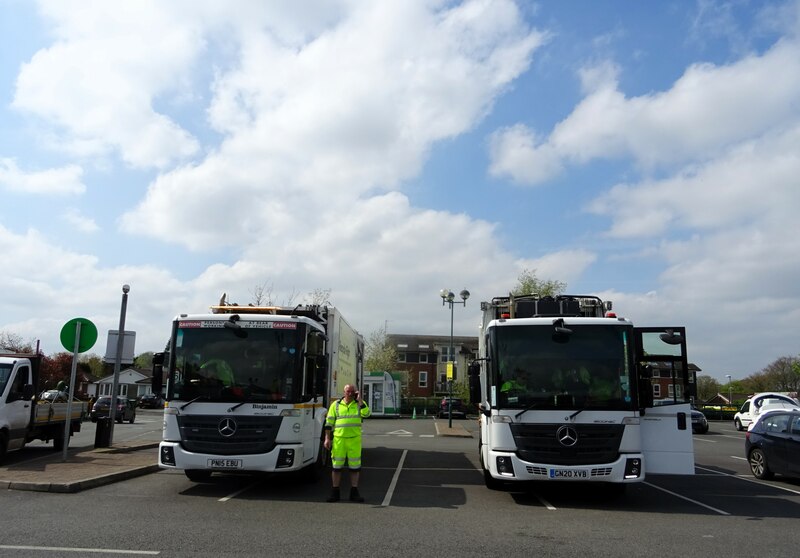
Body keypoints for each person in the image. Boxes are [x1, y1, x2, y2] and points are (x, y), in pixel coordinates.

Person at [324, 384, 371, 503]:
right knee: (336, 467)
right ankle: (335, 492)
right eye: (347, 391)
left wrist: (360, 400)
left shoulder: (359, 404)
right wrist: (327, 439)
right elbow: (329, 423)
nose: (350, 393)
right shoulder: (336, 405)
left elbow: (367, 414)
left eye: (352, 391)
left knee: (355, 468)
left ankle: (354, 492)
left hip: (354, 440)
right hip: (339, 440)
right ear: (344, 392)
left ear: (355, 392)